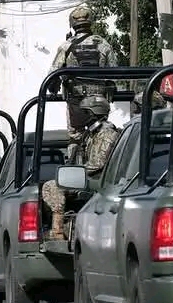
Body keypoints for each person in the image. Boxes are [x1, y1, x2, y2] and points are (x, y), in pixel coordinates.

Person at [41, 96, 120, 240]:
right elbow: (75, 138)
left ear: (93, 113)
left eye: (84, 112)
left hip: (100, 180)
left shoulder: (107, 134)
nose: (80, 116)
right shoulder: (92, 133)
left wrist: (77, 173)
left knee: (52, 186)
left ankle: (57, 231)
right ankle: (66, 224)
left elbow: (98, 163)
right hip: (92, 177)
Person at [47, 5, 119, 160]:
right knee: (102, 133)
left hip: (76, 102)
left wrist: (53, 90)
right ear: (90, 22)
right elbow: (115, 72)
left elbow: (53, 74)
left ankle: (73, 167)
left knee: (75, 137)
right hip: (100, 102)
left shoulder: (66, 46)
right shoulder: (103, 44)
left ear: (72, 25)